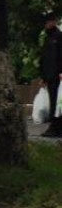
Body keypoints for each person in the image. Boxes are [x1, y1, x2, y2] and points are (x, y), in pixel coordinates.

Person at [40, 9, 62, 137]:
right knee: (53, 101)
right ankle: (55, 126)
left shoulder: (59, 36)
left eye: (49, 21)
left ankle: (55, 127)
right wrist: (42, 75)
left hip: (57, 75)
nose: (47, 24)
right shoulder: (48, 36)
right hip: (49, 75)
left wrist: (60, 71)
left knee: (56, 102)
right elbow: (44, 57)